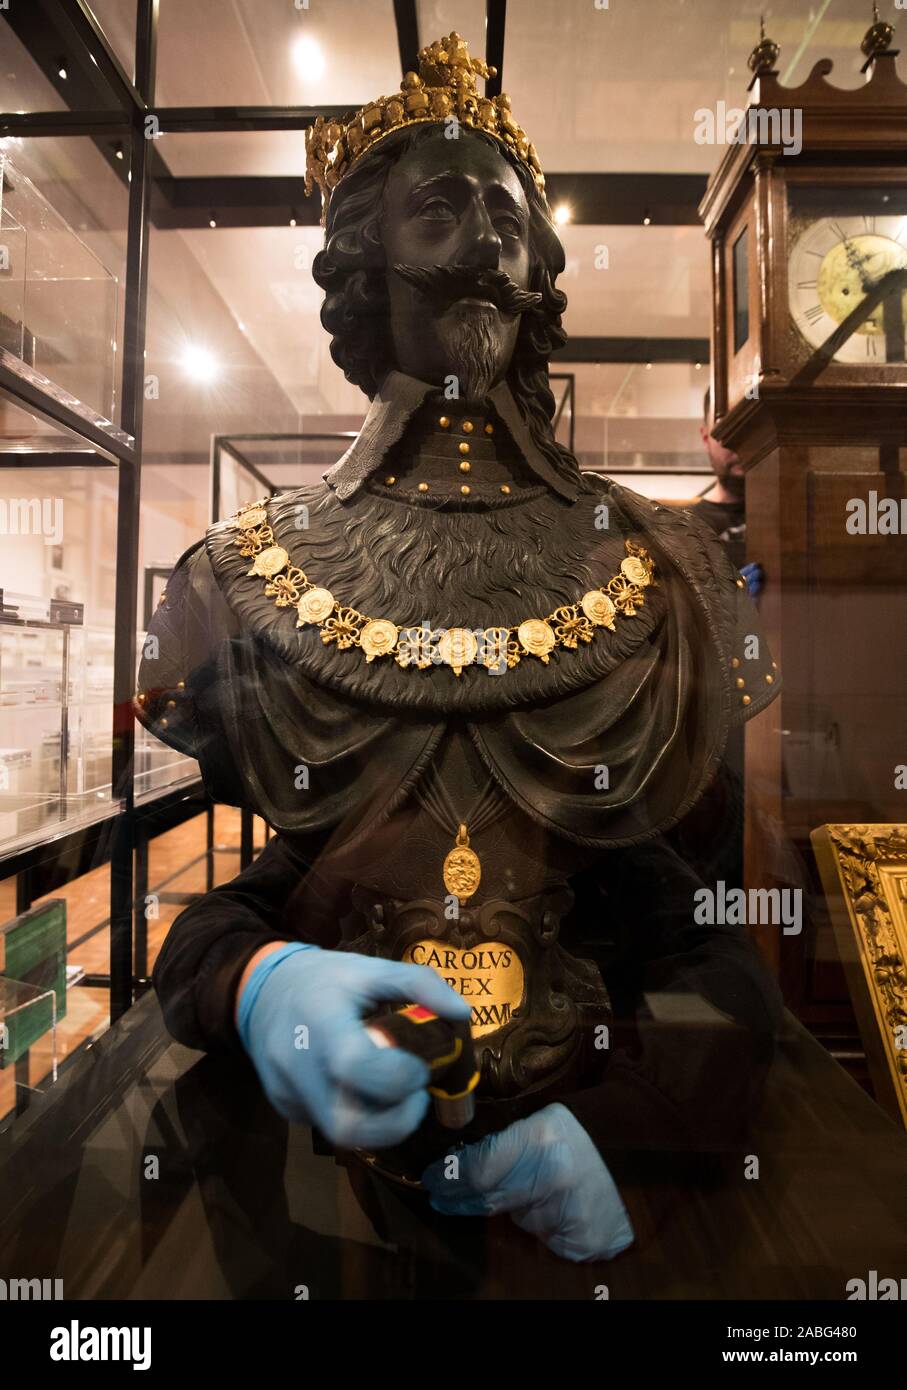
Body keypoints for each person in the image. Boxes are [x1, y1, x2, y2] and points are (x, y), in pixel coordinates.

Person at [135, 33, 783, 1264]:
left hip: (605, 1166)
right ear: (365, 262)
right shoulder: (230, 580)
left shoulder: (680, 571)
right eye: (441, 210)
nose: (487, 243)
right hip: (316, 1198)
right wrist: (264, 982)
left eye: (507, 214)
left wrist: (629, 1126)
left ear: (544, 261)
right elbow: (259, 897)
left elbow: (694, 933)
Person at [690, 387, 762, 596]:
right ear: (706, 438)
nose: (737, 443)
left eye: (747, 429)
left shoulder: (794, 517)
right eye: (725, 429)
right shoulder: (686, 530)